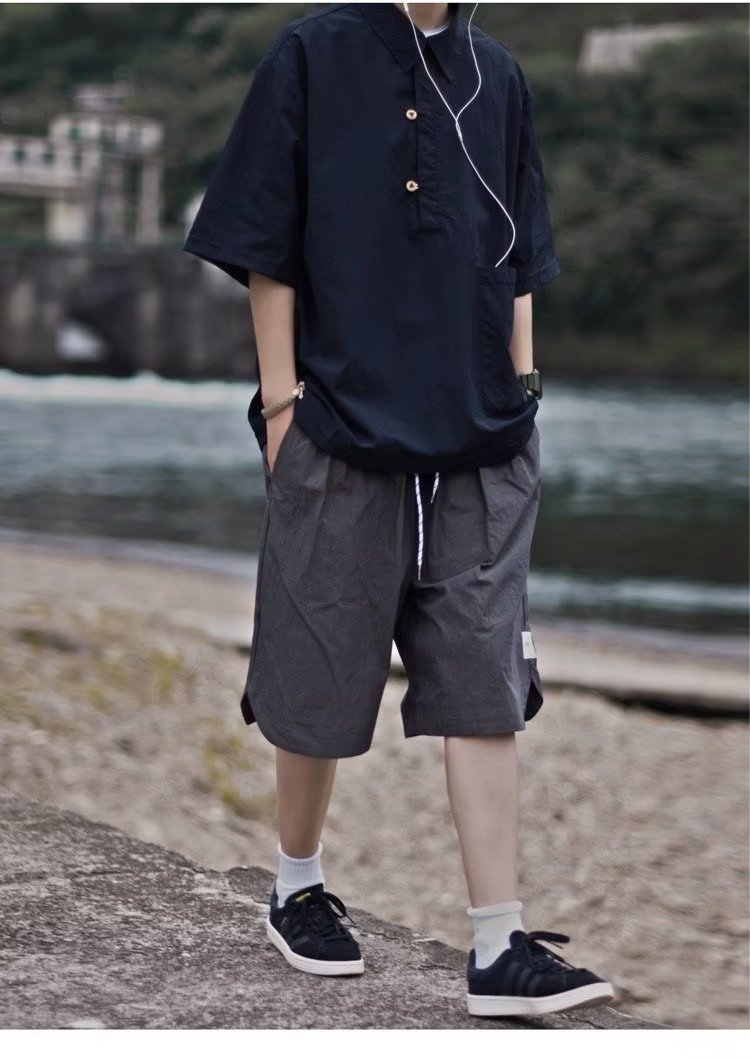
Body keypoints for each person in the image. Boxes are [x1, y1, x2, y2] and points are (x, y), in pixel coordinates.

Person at [184, 1, 614, 1018]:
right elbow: (266, 239)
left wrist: (524, 389)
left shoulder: (496, 74)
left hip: (481, 433)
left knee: (485, 679)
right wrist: (282, 406)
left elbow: (521, 251)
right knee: (319, 669)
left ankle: (499, 943)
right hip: (339, 422)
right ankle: (296, 886)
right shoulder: (313, 53)